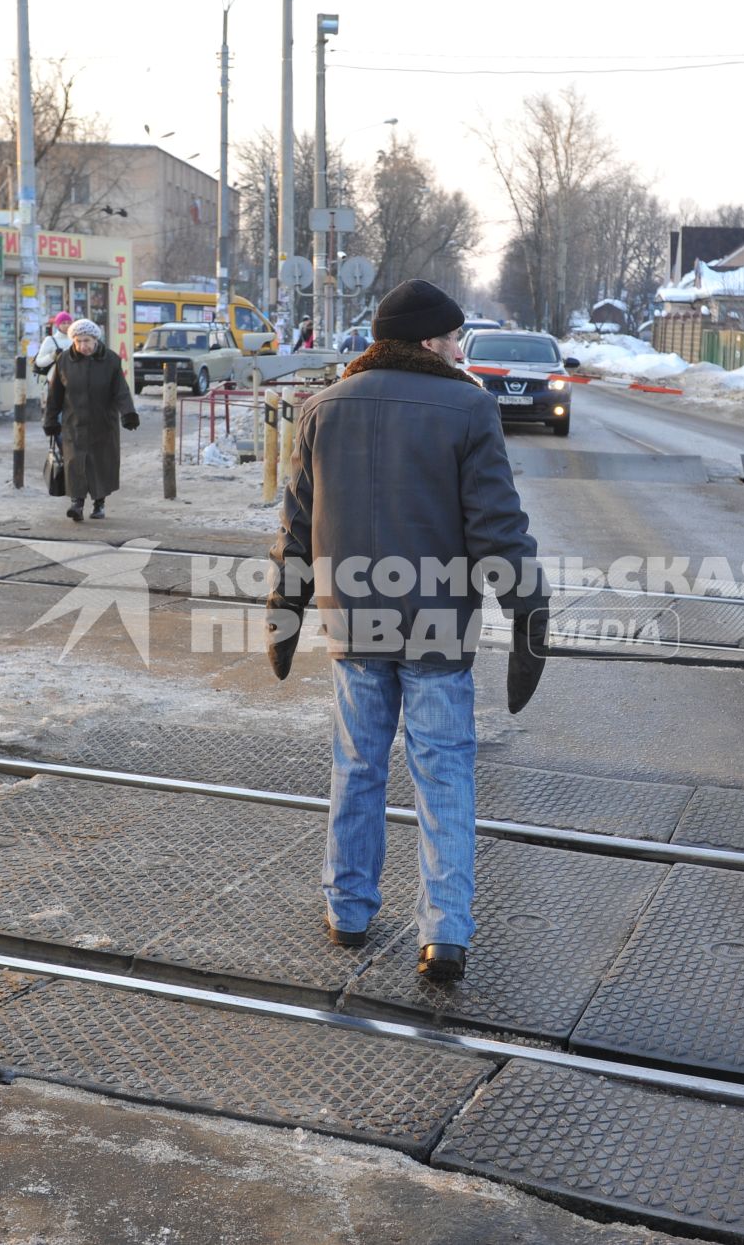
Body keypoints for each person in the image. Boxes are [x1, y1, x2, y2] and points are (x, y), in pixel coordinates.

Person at [266, 278, 549, 984]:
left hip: (353, 624)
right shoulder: (469, 409)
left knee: (357, 765)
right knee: (443, 772)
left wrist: (283, 610)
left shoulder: (322, 408)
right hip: (437, 630)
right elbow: (497, 529)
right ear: (428, 340)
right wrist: (527, 616)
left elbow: (296, 526)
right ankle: (445, 932)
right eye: (453, 337)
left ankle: (348, 909)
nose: (460, 349)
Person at [44, 317, 138, 521]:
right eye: (77, 341)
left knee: (100, 462)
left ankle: (99, 503)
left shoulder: (111, 360)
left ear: (95, 339)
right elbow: (55, 394)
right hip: (74, 422)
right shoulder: (64, 360)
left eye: (86, 340)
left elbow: (120, 390)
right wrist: (50, 420)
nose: (82, 345)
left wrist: (128, 413)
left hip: (103, 422)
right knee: (75, 462)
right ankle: (76, 504)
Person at [33, 311, 74, 382]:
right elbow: (39, 362)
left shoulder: (76, 340)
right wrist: (53, 356)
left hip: (74, 380)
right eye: (63, 323)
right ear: (58, 325)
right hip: (55, 381)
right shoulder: (50, 340)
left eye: (69, 323)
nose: (67, 325)